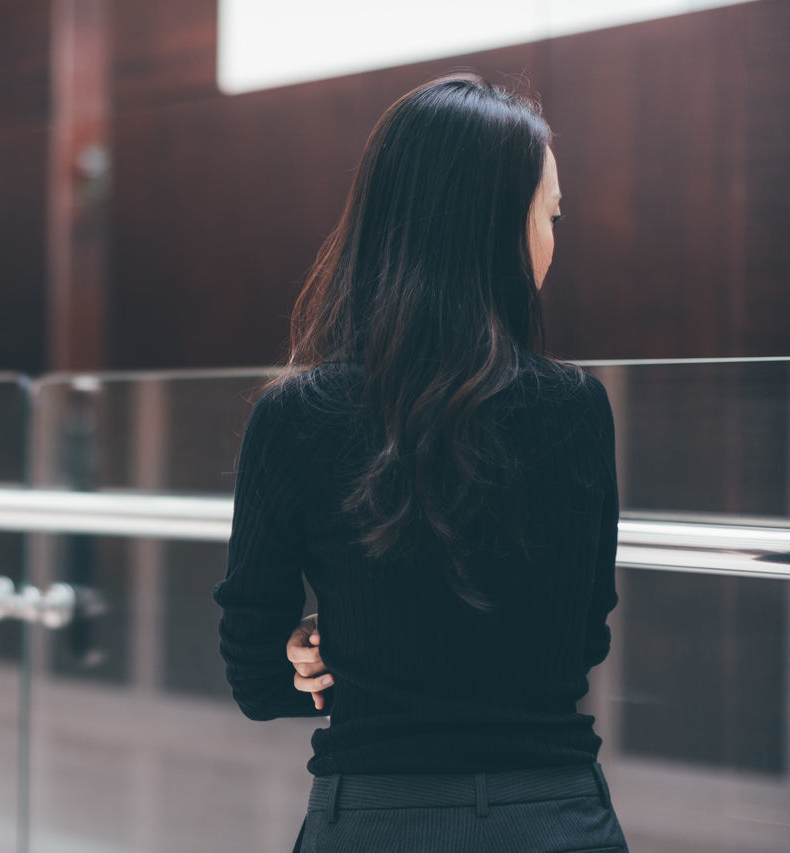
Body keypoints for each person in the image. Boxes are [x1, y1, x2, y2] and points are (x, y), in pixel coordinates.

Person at [211, 72, 627, 852]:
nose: (553, 240)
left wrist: (341, 646)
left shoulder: (294, 417)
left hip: (370, 818)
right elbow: (583, 643)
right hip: (554, 815)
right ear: (498, 226)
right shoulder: (577, 407)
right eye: (551, 214)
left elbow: (259, 681)